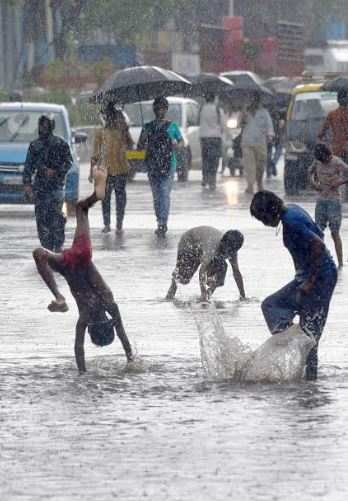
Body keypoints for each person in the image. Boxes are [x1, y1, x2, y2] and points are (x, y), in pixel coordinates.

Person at [32, 167, 134, 373]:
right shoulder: (87, 315)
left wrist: (131, 357)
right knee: (38, 253)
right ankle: (59, 297)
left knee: (80, 208)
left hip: (80, 256)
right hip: (70, 265)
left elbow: (121, 334)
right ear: (93, 330)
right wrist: (82, 373)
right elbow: (79, 347)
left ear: (106, 323)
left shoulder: (108, 306)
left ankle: (97, 195)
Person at [250, 190, 337, 380]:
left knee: (310, 336)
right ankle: (296, 339)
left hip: (320, 279)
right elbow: (319, 235)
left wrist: (310, 282)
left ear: (270, 211)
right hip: (305, 277)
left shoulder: (291, 222)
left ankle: (309, 384)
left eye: (262, 218)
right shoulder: (291, 210)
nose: (264, 223)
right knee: (271, 305)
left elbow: (319, 246)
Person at [23, 115, 73, 252]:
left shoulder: (60, 144)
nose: (43, 128)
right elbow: (28, 167)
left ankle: (56, 248)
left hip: (56, 188)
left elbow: (69, 162)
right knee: (43, 220)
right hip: (41, 189)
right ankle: (48, 249)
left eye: (46, 126)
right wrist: (27, 186)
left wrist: (56, 172)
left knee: (57, 219)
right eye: (42, 125)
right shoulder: (35, 146)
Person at [138, 96, 184, 237]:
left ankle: (163, 222)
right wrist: (143, 138)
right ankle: (160, 220)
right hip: (152, 165)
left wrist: (176, 145)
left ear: (166, 109)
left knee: (164, 193)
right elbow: (139, 147)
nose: (160, 111)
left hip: (169, 164)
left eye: (163, 108)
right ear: (154, 109)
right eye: (158, 108)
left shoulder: (173, 126)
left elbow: (181, 142)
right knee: (157, 196)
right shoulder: (147, 127)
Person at [166, 226, 246, 302]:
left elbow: (236, 272)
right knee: (184, 279)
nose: (225, 252)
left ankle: (209, 294)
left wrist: (243, 296)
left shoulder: (232, 250)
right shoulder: (211, 246)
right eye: (223, 248)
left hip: (202, 244)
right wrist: (203, 292)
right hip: (189, 242)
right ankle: (173, 286)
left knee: (222, 267)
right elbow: (202, 271)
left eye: (229, 251)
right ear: (222, 242)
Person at [90, 104, 134, 234]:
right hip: (105, 170)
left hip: (121, 169)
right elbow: (95, 154)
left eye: (112, 116)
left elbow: (131, 145)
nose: (110, 119)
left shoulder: (122, 131)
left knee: (120, 198)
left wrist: (126, 131)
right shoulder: (100, 133)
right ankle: (107, 223)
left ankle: (119, 224)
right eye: (108, 117)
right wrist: (91, 171)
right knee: (105, 198)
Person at [309, 143, 348, 268]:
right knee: (318, 232)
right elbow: (309, 173)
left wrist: (338, 183)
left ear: (328, 155)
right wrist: (314, 184)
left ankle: (340, 263)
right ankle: (319, 262)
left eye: (325, 160)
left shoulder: (337, 162)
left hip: (334, 201)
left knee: (334, 232)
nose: (324, 162)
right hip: (321, 201)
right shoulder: (317, 162)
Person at [240, 91, 274, 194]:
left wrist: (270, 135)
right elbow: (239, 125)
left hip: (260, 142)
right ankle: (250, 185)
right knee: (249, 165)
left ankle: (259, 183)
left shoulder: (264, 113)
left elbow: (269, 125)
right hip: (247, 142)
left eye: (256, 100)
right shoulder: (245, 112)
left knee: (260, 165)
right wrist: (243, 116)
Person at [318, 88, 348, 200]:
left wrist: (324, 142)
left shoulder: (332, 115)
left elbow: (321, 133)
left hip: (337, 149)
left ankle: (339, 194)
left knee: (336, 173)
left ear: (338, 100)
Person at [199, 93, 224, 190]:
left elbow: (199, 122)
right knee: (214, 159)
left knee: (205, 159)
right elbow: (222, 124)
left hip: (204, 137)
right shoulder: (218, 110)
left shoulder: (202, 109)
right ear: (214, 99)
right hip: (215, 137)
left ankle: (205, 178)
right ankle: (212, 180)